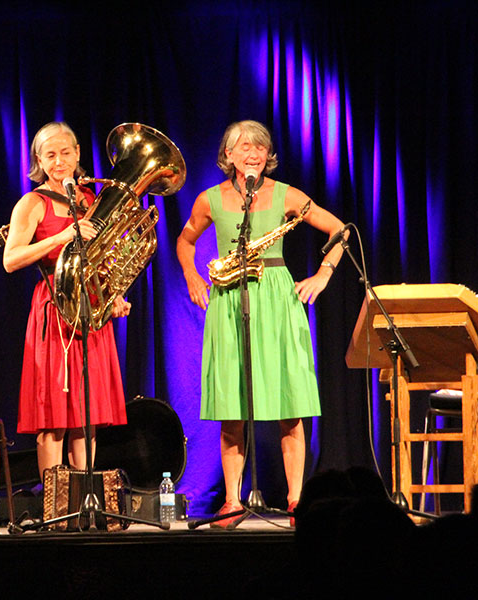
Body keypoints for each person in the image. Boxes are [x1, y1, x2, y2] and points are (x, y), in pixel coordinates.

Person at [176, 120, 345, 527]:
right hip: (229, 300)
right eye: (244, 147)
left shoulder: (287, 194)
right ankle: (232, 500)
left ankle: (297, 500)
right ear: (228, 155)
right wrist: (192, 276)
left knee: (290, 404)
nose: (253, 153)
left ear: (268, 155)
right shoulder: (210, 199)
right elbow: (185, 240)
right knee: (231, 408)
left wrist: (322, 275)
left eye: (260, 147)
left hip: (276, 299)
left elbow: (339, 230)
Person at [3, 122, 131, 478]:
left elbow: (104, 255)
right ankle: (54, 502)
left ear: (77, 154)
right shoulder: (33, 202)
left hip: (91, 308)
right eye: (50, 155)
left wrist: (114, 294)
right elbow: (10, 259)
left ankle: (84, 497)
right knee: (53, 415)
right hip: (54, 308)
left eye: (65, 153)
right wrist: (61, 237)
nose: (59, 162)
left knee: (86, 415)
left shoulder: (90, 199)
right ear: (39, 160)